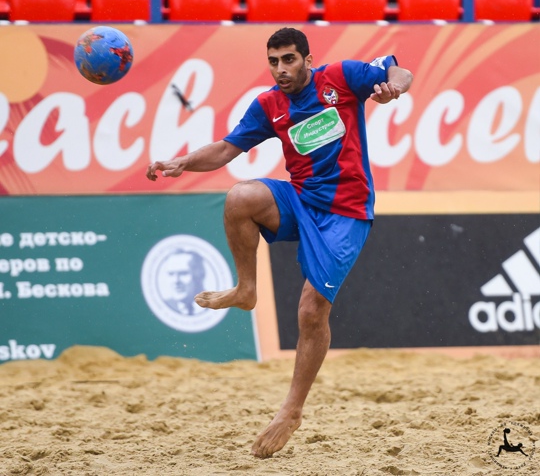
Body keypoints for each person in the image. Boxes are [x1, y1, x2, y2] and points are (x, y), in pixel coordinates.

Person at [147, 27, 413, 458]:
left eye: (289, 59)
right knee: (240, 197)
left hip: (345, 213)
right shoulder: (268, 105)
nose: (280, 69)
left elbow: (399, 72)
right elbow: (225, 150)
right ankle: (246, 288)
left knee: (311, 311)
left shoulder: (341, 77)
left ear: (308, 59)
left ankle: (291, 410)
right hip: (301, 200)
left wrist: (392, 89)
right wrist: (182, 161)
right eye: (273, 62)